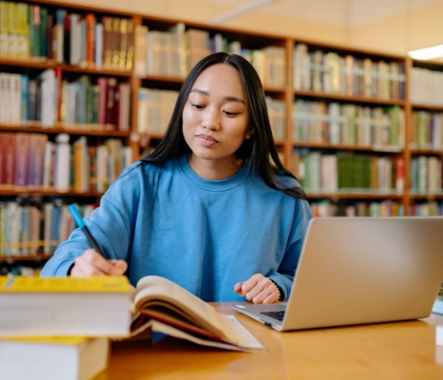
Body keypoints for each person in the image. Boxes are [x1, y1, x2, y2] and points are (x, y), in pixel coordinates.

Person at [41, 52, 313, 304]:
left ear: (251, 126)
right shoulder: (141, 183)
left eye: (229, 112)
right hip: (153, 348)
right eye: (198, 104)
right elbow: (66, 258)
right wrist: (77, 268)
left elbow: (311, 278)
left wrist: (279, 287)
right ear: (182, 108)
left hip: (251, 350)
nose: (210, 122)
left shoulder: (283, 194)